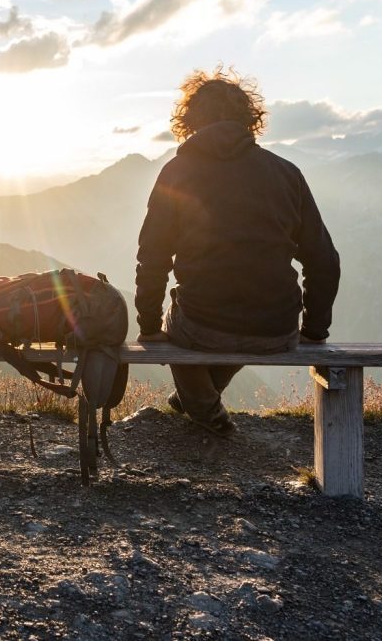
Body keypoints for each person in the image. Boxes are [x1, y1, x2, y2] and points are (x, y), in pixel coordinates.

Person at [134, 67, 340, 437]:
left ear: (191, 119)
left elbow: (153, 255)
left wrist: (148, 325)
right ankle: (192, 399)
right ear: (249, 117)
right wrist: (314, 329)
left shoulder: (177, 172)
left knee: (178, 319)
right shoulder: (286, 173)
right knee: (239, 310)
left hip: (202, 326)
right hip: (276, 328)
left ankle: (206, 411)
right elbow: (323, 260)